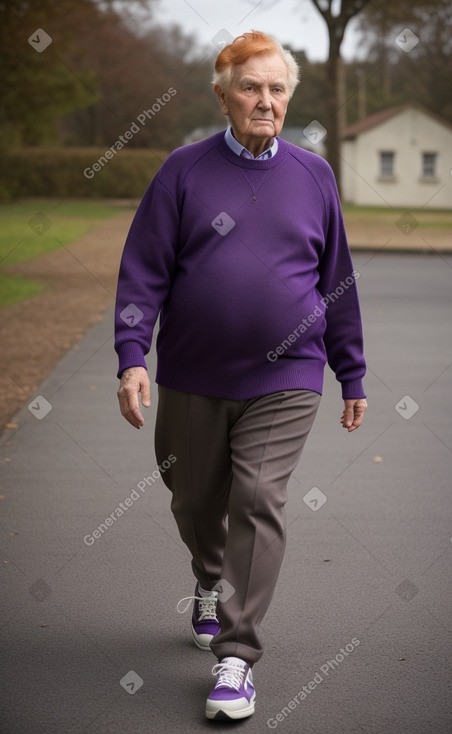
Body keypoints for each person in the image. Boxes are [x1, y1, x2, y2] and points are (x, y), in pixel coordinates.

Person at [115, 30, 367, 722]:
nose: (265, 100)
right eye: (251, 87)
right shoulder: (183, 172)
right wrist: (132, 355)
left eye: (277, 88)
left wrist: (352, 371)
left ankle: (237, 656)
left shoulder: (313, 175)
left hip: (288, 375)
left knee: (257, 495)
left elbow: (335, 280)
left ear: (289, 98)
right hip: (192, 375)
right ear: (222, 95)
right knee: (192, 497)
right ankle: (207, 576)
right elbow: (143, 271)